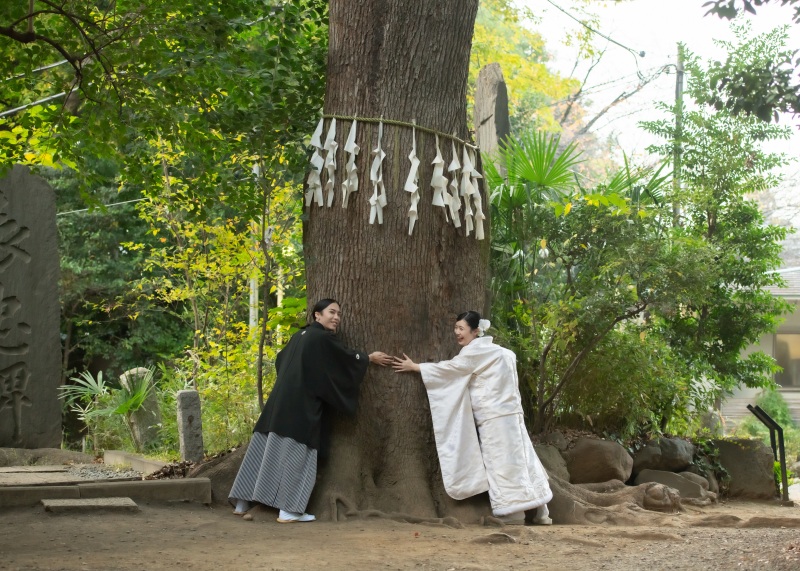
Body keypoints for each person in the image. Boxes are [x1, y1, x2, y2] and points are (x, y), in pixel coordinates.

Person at [229, 298, 392, 523]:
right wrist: (367, 358)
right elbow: (344, 359)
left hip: (279, 401)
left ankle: (241, 501)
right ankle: (289, 510)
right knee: (298, 453)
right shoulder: (322, 338)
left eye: (339, 314)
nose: (336, 318)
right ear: (317, 315)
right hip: (300, 406)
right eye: (331, 312)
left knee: (264, 448)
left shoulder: (299, 336)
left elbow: (280, 360)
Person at [392, 311, 553, 525]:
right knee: (524, 458)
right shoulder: (505, 353)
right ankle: (542, 512)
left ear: (475, 331)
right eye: (456, 328)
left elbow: (450, 369)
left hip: (494, 418)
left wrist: (417, 367)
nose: (457, 333)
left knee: (502, 462)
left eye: (461, 328)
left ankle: (514, 513)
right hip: (513, 415)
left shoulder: (473, 353)